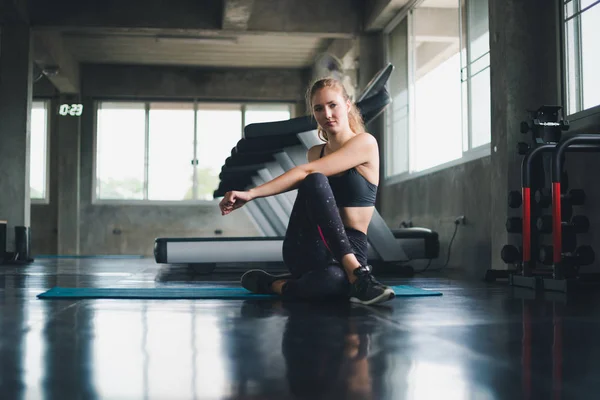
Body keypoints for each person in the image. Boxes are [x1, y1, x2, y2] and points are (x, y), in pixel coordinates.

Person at [218, 77, 395, 305]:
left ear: (347, 105)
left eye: (333, 105)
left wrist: (252, 193)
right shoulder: (314, 153)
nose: (327, 114)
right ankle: (358, 276)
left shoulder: (365, 143)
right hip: (308, 245)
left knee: (331, 282)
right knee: (314, 180)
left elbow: (305, 171)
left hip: (352, 243)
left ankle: (275, 284)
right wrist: (250, 194)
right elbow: (307, 173)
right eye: (319, 108)